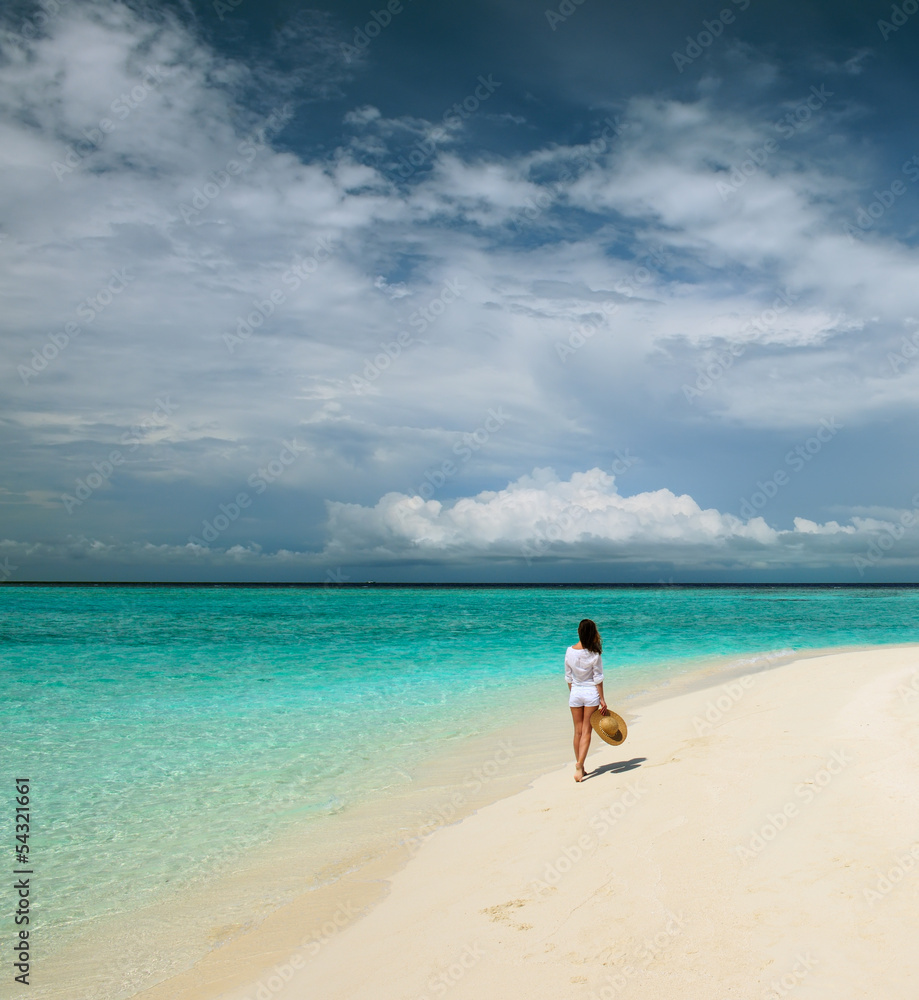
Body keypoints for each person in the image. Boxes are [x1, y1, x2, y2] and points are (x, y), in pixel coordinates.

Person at [565, 618, 608, 782]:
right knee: (587, 731)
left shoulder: (569, 651)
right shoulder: (594, 653)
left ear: (579, 632)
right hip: (591, 694)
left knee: (577, 731)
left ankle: (580, 766)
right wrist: (602, 699)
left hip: (575, 693)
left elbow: (568, 677)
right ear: (593, 634)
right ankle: (579, 764)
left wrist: (574, 691)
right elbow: (598, 678)